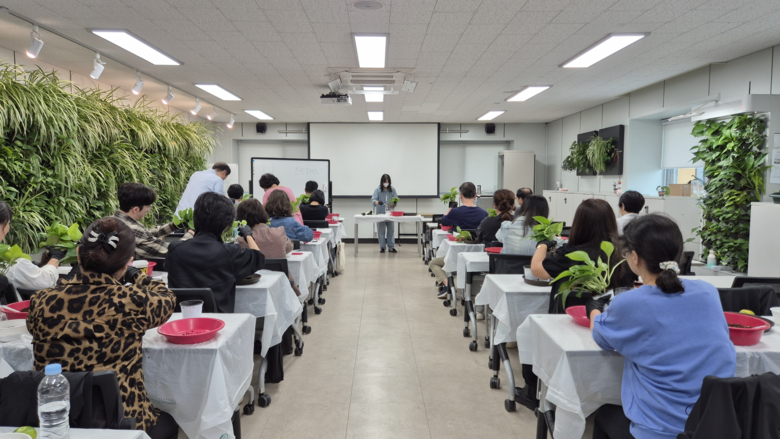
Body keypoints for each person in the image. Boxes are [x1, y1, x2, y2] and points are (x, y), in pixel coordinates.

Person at [27, 217, 179, 439]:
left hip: (59, 423)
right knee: (168, 421)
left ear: (79, 256)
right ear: (128, 261)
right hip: (125, 422)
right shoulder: (133, 302)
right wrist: (135, 274)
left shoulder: (41, 302)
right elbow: (167, 297)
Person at [590, 214, 736, 439]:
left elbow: (601, 337)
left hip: (661, 430)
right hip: (716, 424)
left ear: (635, 257)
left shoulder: (630, 302)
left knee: (602, 415)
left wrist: (594, 310)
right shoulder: (708, 292)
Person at [167, 192, 265, 313]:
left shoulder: (174, 250)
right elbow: (258, 258)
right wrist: (248, 235)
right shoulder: (230, 252)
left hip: (181, 321)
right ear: (225, 226)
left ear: (195, 218)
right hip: (219, 320)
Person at [432, 182, 487, 298]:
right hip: (478, 258)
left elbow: (444, 223)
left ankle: (448, 285)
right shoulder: (484, 213)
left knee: (434, 263)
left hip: (457, 257)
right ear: (475, 195)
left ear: (460, 195)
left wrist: (449, 210)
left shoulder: (455, 212)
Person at [236, 198, 301, 296]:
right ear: (263, 213)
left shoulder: (241, 240)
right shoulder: (279, 232)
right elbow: (289, 248)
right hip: (283, 286)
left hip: (254, 288)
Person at [114, 183, 193, 260]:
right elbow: (173, 250)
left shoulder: (114, 220)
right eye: (148, 206)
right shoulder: (131, 229)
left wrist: (173, 226)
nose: (149, 210)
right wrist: (191, 233)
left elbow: (147, 235)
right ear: (136, 209)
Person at [0, 200, 62, 292]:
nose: (8, 228)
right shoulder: (11, 259)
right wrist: (56, 258)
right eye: (8, 223)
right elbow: (46, 280)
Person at [371, 174, 398, 253]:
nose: (386, 183)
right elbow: (373, 200)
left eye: (387, 182)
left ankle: (391, 247)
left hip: (390, 214)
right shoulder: (377, 190)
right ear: (382, 182)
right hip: (380, 213)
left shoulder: (392, 190)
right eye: (384, 182)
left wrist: (395, 202)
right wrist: (378, 202)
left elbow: (396, 200)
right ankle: (382, 247)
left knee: (391, 230)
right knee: (381, 231)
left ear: (389, 182)